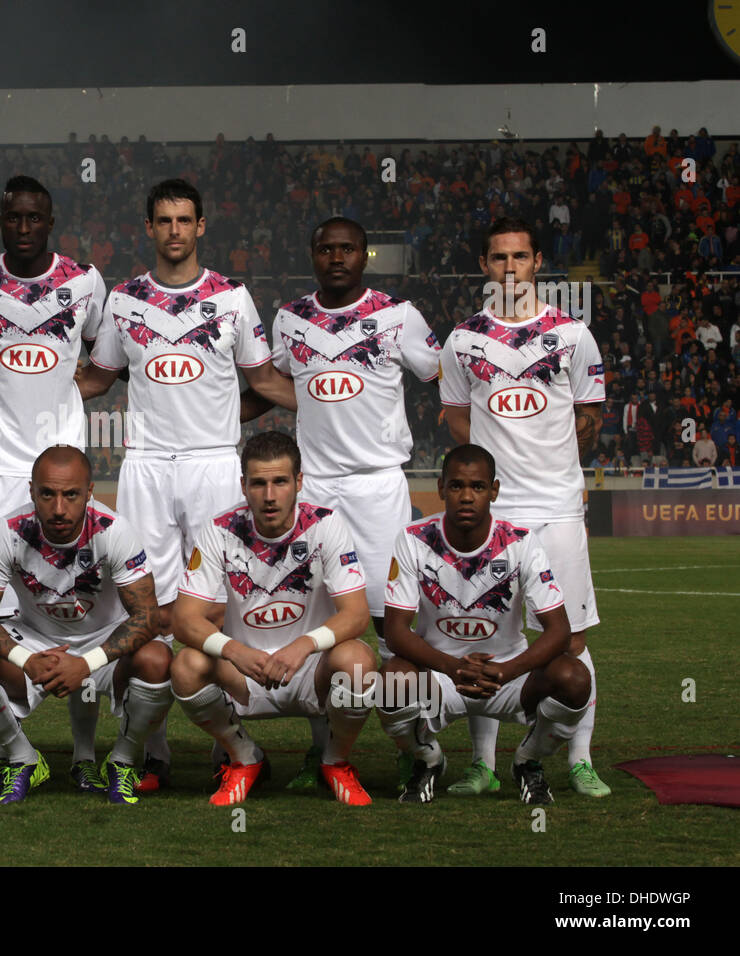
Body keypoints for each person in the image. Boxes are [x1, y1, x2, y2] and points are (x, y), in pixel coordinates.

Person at [77, 178, 296, 789]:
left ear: (201, 227)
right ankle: (152, 752)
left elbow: (265, 384)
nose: (174, 231)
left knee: (210, 612)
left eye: (184, 221)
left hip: (212, 465)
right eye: (163, 221)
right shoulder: (124, 301)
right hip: (144, 464)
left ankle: (224, 748)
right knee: (145, 614)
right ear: (149, 228)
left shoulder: (232, 298)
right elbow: (96, 380)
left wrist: (330, 399)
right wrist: (25, 386)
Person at [248, 216, 441, 790]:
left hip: (378, 485)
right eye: (327, 249)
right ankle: (325, 752)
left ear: (364, 254)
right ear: (314, 254)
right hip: (317, 489)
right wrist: (308, 402)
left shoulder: (398, 315)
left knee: (391, 622)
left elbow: (440, 375)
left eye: (348, 249)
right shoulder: (291, 318)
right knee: (322, 622)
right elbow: (273, 383)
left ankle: (418, 746)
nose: (337, 257)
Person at [0, 175, 111, 791]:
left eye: (33, 218)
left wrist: (66, 389)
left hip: (61, 463)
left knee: (84, 607)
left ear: (49, 220)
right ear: (1, 220)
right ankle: (17, 753)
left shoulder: (85, 282)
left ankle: (86, 757)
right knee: (0, 612)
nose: (22, 227)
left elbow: (105, 358)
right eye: (12, 217)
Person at [440, 216, 609, 797]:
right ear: (484, 266)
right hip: (497, 512)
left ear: (538, 262)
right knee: (487, 635)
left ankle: (576, 759)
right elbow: (457, 418)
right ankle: (483, 765)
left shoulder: (573, 334)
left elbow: (589, 412)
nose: (508, 268)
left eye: (519, 257)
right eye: (497, 259)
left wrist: (551, 459)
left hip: (557, 506)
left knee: (571, 640)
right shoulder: (463, 340)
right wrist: (494, 469)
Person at [0, 445, 170, 805]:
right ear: (32, 491)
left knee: (158, 657)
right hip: (36, 639)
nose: (58, 508)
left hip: (101, 639)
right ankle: (22, 757)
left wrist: (86, 664)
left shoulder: (114, 531)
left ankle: (123, 761)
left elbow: (147, 617)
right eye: (47, 494)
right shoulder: (8, 532)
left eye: (71, 495)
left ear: (89, 493)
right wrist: (25, 659)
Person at [170, 430, 376, 806]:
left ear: (298, 482)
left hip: (311, 673)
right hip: (246, 673)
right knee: (186, 665)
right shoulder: (220, 530)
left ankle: (335, 760)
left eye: (280, 481)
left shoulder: (325, 524)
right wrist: (234, 650)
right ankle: (244, 756)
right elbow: (184, 620)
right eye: (259, 483)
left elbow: (357, 614)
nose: (269, 496)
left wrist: (303, 646)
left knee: (359, 661)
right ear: (243, 486)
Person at [378, 444, 591, 805]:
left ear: (493, 490)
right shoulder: (413, 539)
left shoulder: (521, 542)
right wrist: (452, 666)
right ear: (441, 488)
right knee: (390, 684)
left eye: (477, 487)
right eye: (457, 486)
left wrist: (508, 671)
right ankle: (428, 759)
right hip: (442, 676)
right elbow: (396, 632)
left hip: (507, 677)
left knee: (574, 678)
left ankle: (528, 761)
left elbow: (559, 631)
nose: (466, 497)